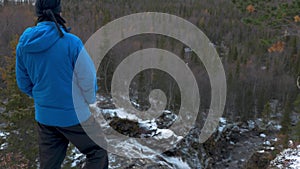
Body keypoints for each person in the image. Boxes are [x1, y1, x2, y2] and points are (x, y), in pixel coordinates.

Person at [15, 0, 108, 168]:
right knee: (98, 150)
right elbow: (88, 79)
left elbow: (23, 83)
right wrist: (88, 100)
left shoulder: (24, 45)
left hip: (45, 117)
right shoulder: (71, 42)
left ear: (38, 13)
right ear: (59, 11)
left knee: (49, 165)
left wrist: (43, 98)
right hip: (74, 115)